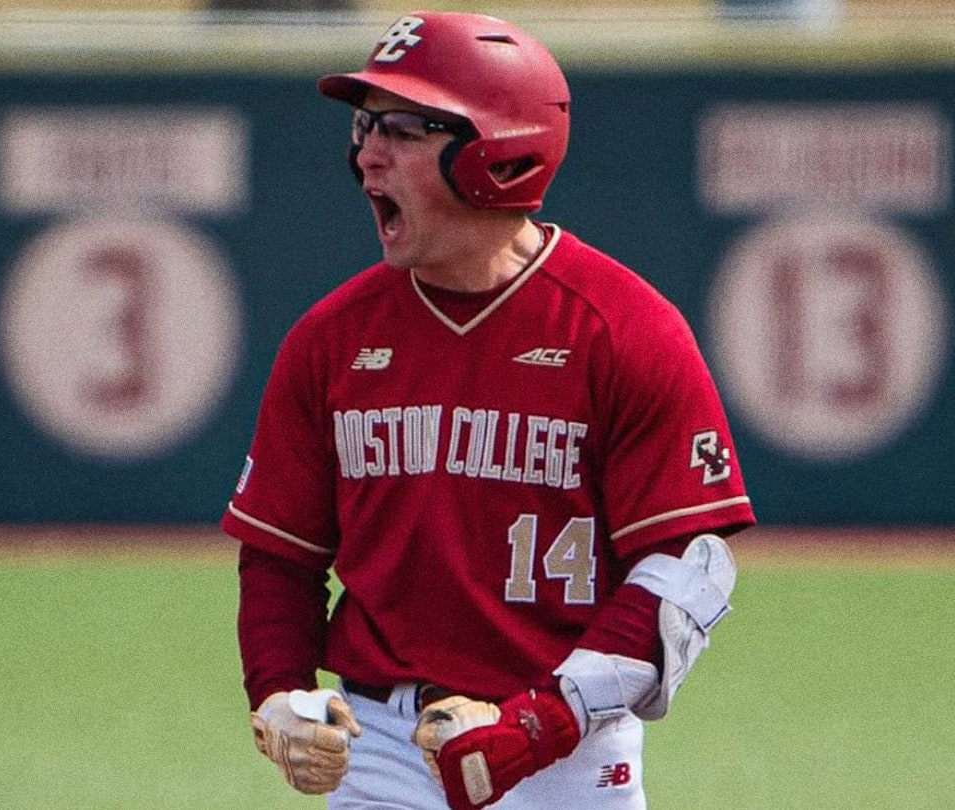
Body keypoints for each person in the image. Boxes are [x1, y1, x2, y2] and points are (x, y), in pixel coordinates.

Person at [221, 11, 756, 810]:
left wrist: (537, 726)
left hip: (568, 749)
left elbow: (687, 571)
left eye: (403, 129)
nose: (366, 154)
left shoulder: (623, 329)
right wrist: (278, 694)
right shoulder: (331, 339)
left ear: (498, 153)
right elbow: (280, 556)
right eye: (365, 126)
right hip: (382, 747)